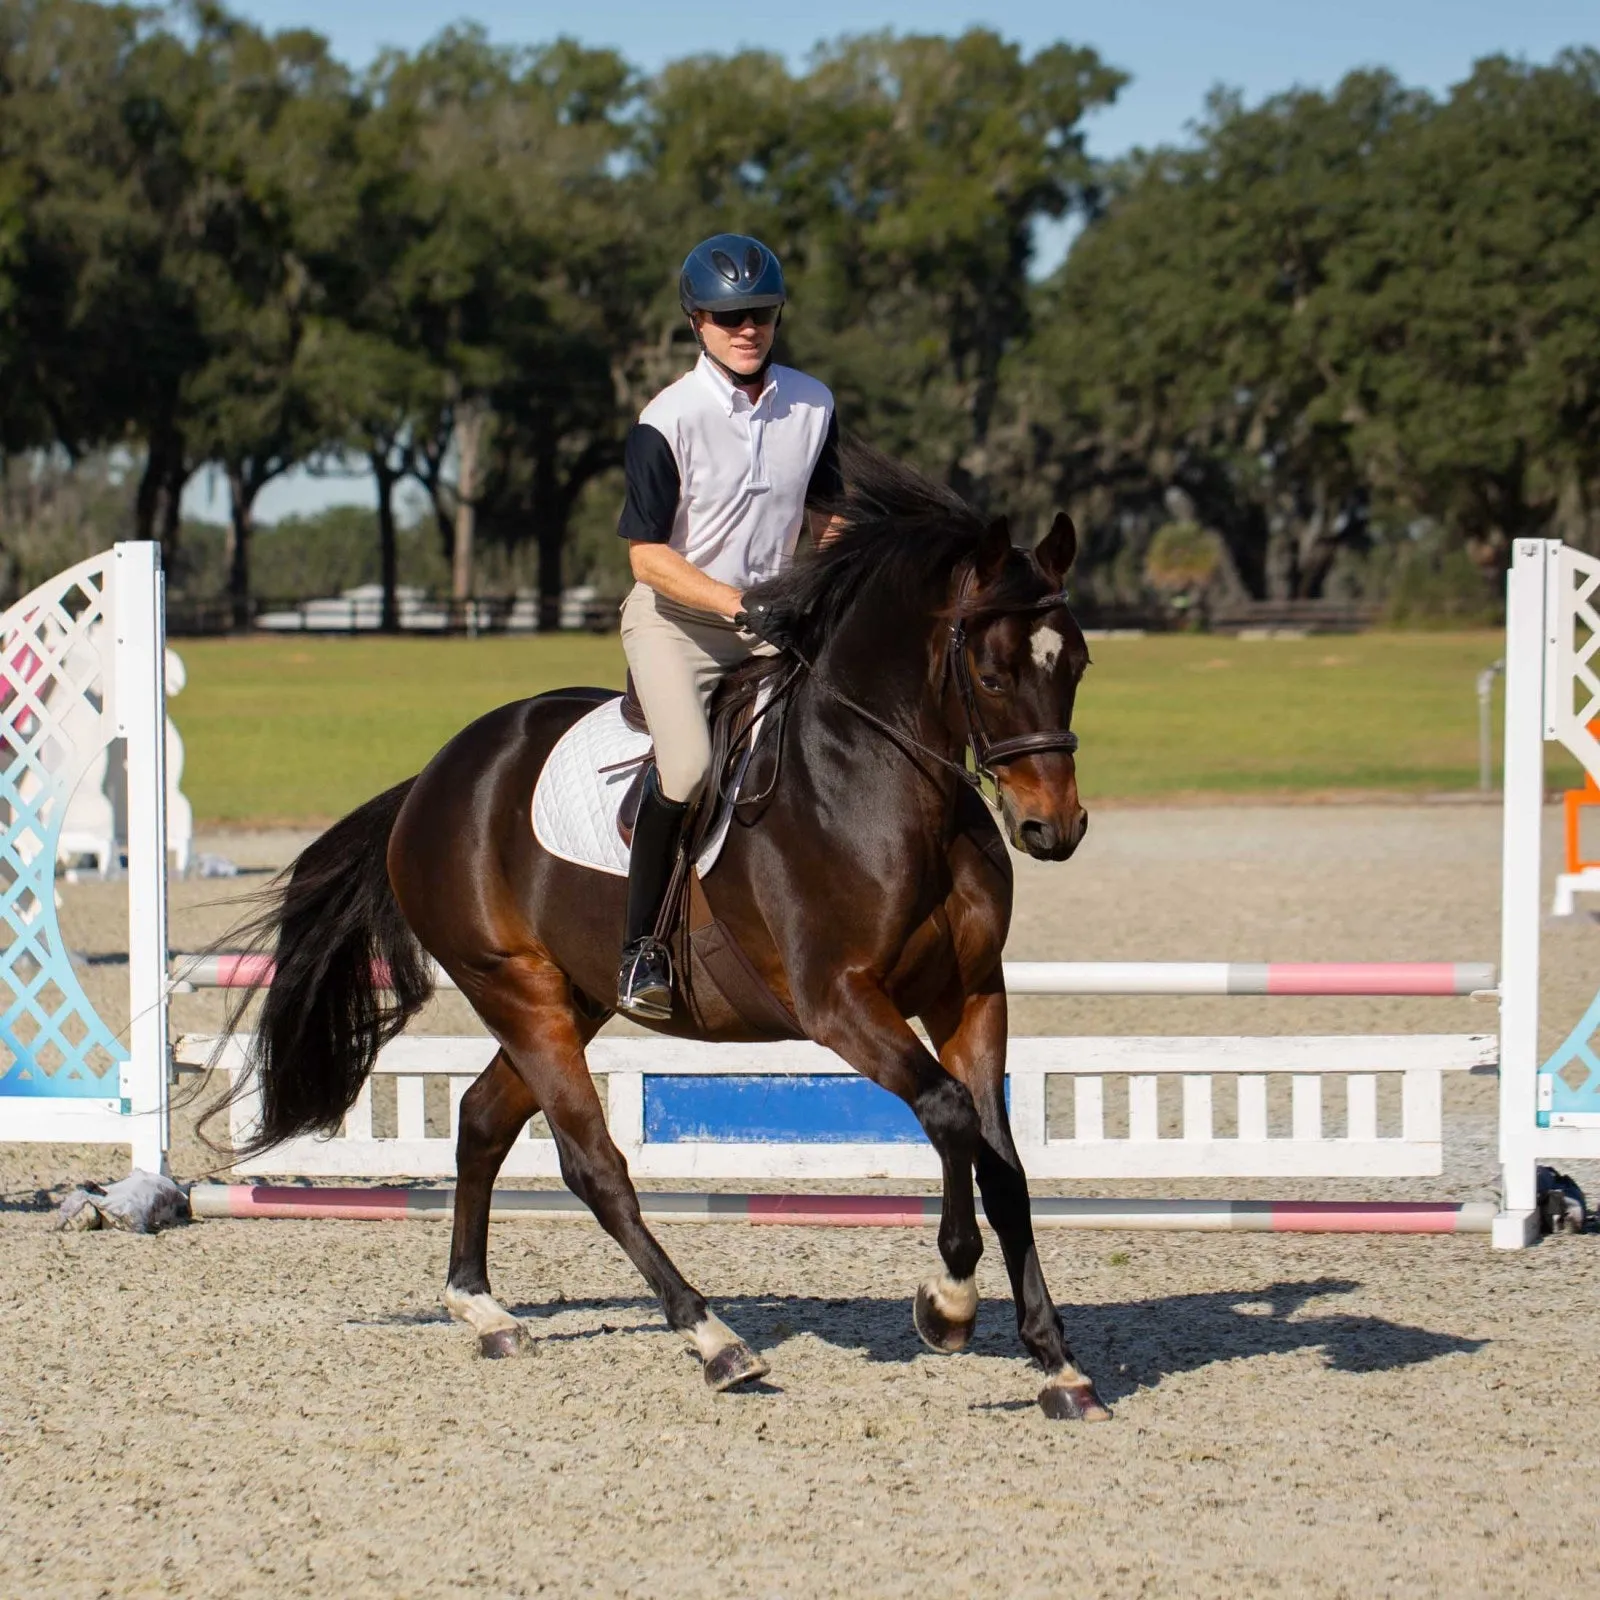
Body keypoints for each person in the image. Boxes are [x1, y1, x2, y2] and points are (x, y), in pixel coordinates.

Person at [614, 233, 843, 1020]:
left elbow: (832, 513)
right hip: (677, 623)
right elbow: (646, 558)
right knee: (684, 767)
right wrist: (740, 606)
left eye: (761, 314)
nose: (746, 329)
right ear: (696, 321)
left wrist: (822, 581)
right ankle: (640, 947)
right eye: (727, 316)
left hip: (776, 615)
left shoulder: (814, 403)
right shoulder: (666, 418)